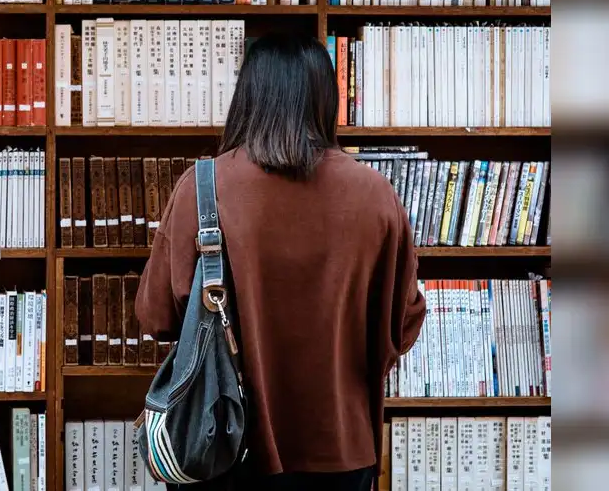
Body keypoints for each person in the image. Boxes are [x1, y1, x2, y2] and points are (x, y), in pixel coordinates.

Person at [135, 32, 426, 490]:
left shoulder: (202, 187)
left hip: (222, 443)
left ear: (247, 96)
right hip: (342, 449)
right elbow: (404, 325)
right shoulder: (375, 195)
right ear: (325, 99)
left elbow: (156, 317)